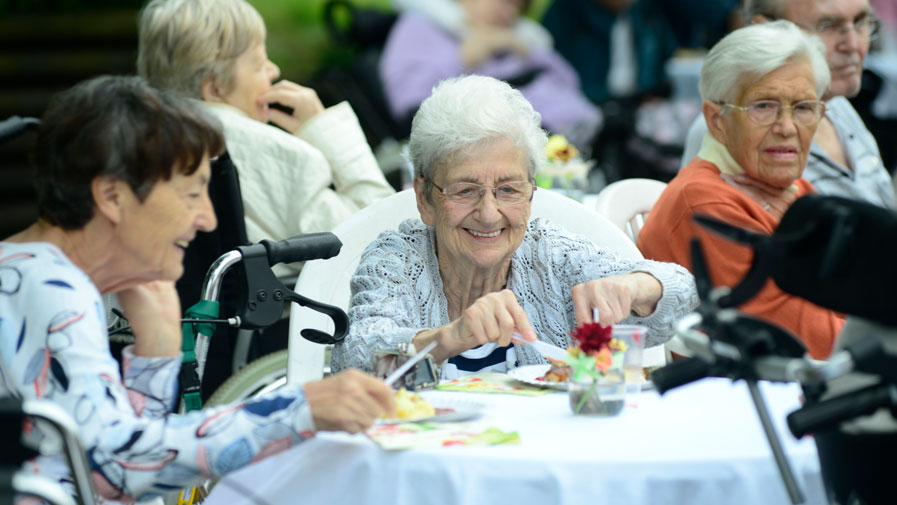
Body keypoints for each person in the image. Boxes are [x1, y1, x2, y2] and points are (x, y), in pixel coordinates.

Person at [0, 75, 395, 503]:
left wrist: (155, 354)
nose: (208, 219)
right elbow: (116, 470)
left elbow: (114, 463)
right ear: (112, 197)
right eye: (192, 194)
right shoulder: (52, 289)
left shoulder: (29, 270)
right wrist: (296, 411)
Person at [331, 75, 697, 378]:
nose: (489, 213)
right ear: (425, 198)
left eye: (508, 190)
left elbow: (684, 293)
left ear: (532, 191)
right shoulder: (396, 259)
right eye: (465, 190)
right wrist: (451, 337)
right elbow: (359, 357)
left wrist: (635, 287)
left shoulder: (551, 253)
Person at [137, 0, 395, 279]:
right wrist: (324, 127)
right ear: (215, 87)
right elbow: (383, 241)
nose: (274, 71)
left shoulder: (127, 142)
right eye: (259, 64)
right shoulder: (286, 156)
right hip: (275, 321)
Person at [638, 21, 842, 359]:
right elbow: (805, 342)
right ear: (717, 121)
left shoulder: (794, 191)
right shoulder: (705, 203)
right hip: (738, 398)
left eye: (803, 108)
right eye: (763, 106)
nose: (787, 128)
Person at [680, 0, 896, 209]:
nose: (854, 45)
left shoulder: (838, 107)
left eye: (861, 22)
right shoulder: (728, 128)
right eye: (828, 26)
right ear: (765, 28)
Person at [379, 0, 602, 151]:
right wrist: (465, 58)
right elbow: (409, 103)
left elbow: (569, 82)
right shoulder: (420, 26)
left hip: (573, 139)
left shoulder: (520, 36)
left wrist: (525, 50)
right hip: (486, 146)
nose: (509, 12)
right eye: (503, 1)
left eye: (517, 6)